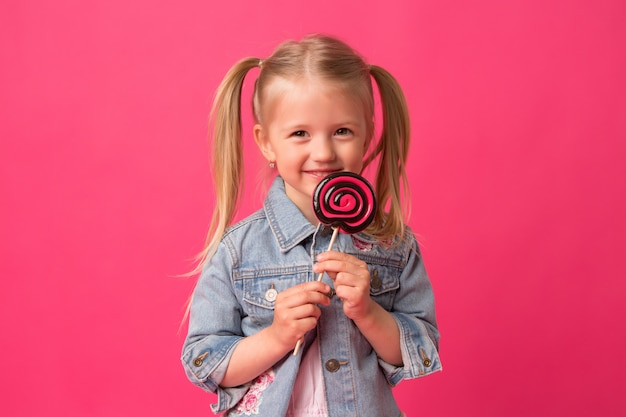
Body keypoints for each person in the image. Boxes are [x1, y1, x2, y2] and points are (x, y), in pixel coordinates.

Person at [181, 34, 441, 417]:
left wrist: (369, 313)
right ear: (267, 143)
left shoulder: (394, 247)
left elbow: (421, 348)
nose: (323, 152)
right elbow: (203, 360)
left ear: (368, 135)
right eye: (300, 133)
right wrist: (277, 336)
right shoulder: (239, 250)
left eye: (342, 131)